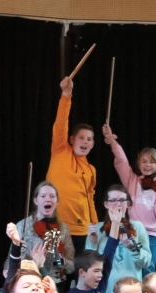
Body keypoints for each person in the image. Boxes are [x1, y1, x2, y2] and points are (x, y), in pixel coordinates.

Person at [101, 125, 156, 272]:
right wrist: (113, 143)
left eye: (152, 162)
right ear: (139, 164)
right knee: (129, 270)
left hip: (151, 235)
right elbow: (122, 161)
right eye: (144, 161)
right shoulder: (132, 180)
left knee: (147, 272)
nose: (148, 165)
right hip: (131, 232)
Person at [46, 76, 97, 253]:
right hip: (56, 226)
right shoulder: (60, 150)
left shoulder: (91, 170)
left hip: (82, 231)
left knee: (82, 274)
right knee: (58, 275)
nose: (85, 142)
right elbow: (61, 124)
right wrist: (66, 95)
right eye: (82, 137)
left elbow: (90, 198)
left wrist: (95, 226)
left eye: (89, 139)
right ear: (72, 139)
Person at [85, 185, 151, 293]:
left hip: (131, 289)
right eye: (113, 200)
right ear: (106, 204)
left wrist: (132, 248)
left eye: (122, 200)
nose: (118, 204)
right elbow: (88, 264)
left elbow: (146, 262)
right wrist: (92, 243)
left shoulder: (138, 227)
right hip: (106, 290)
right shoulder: (97, 228)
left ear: (128, 204)